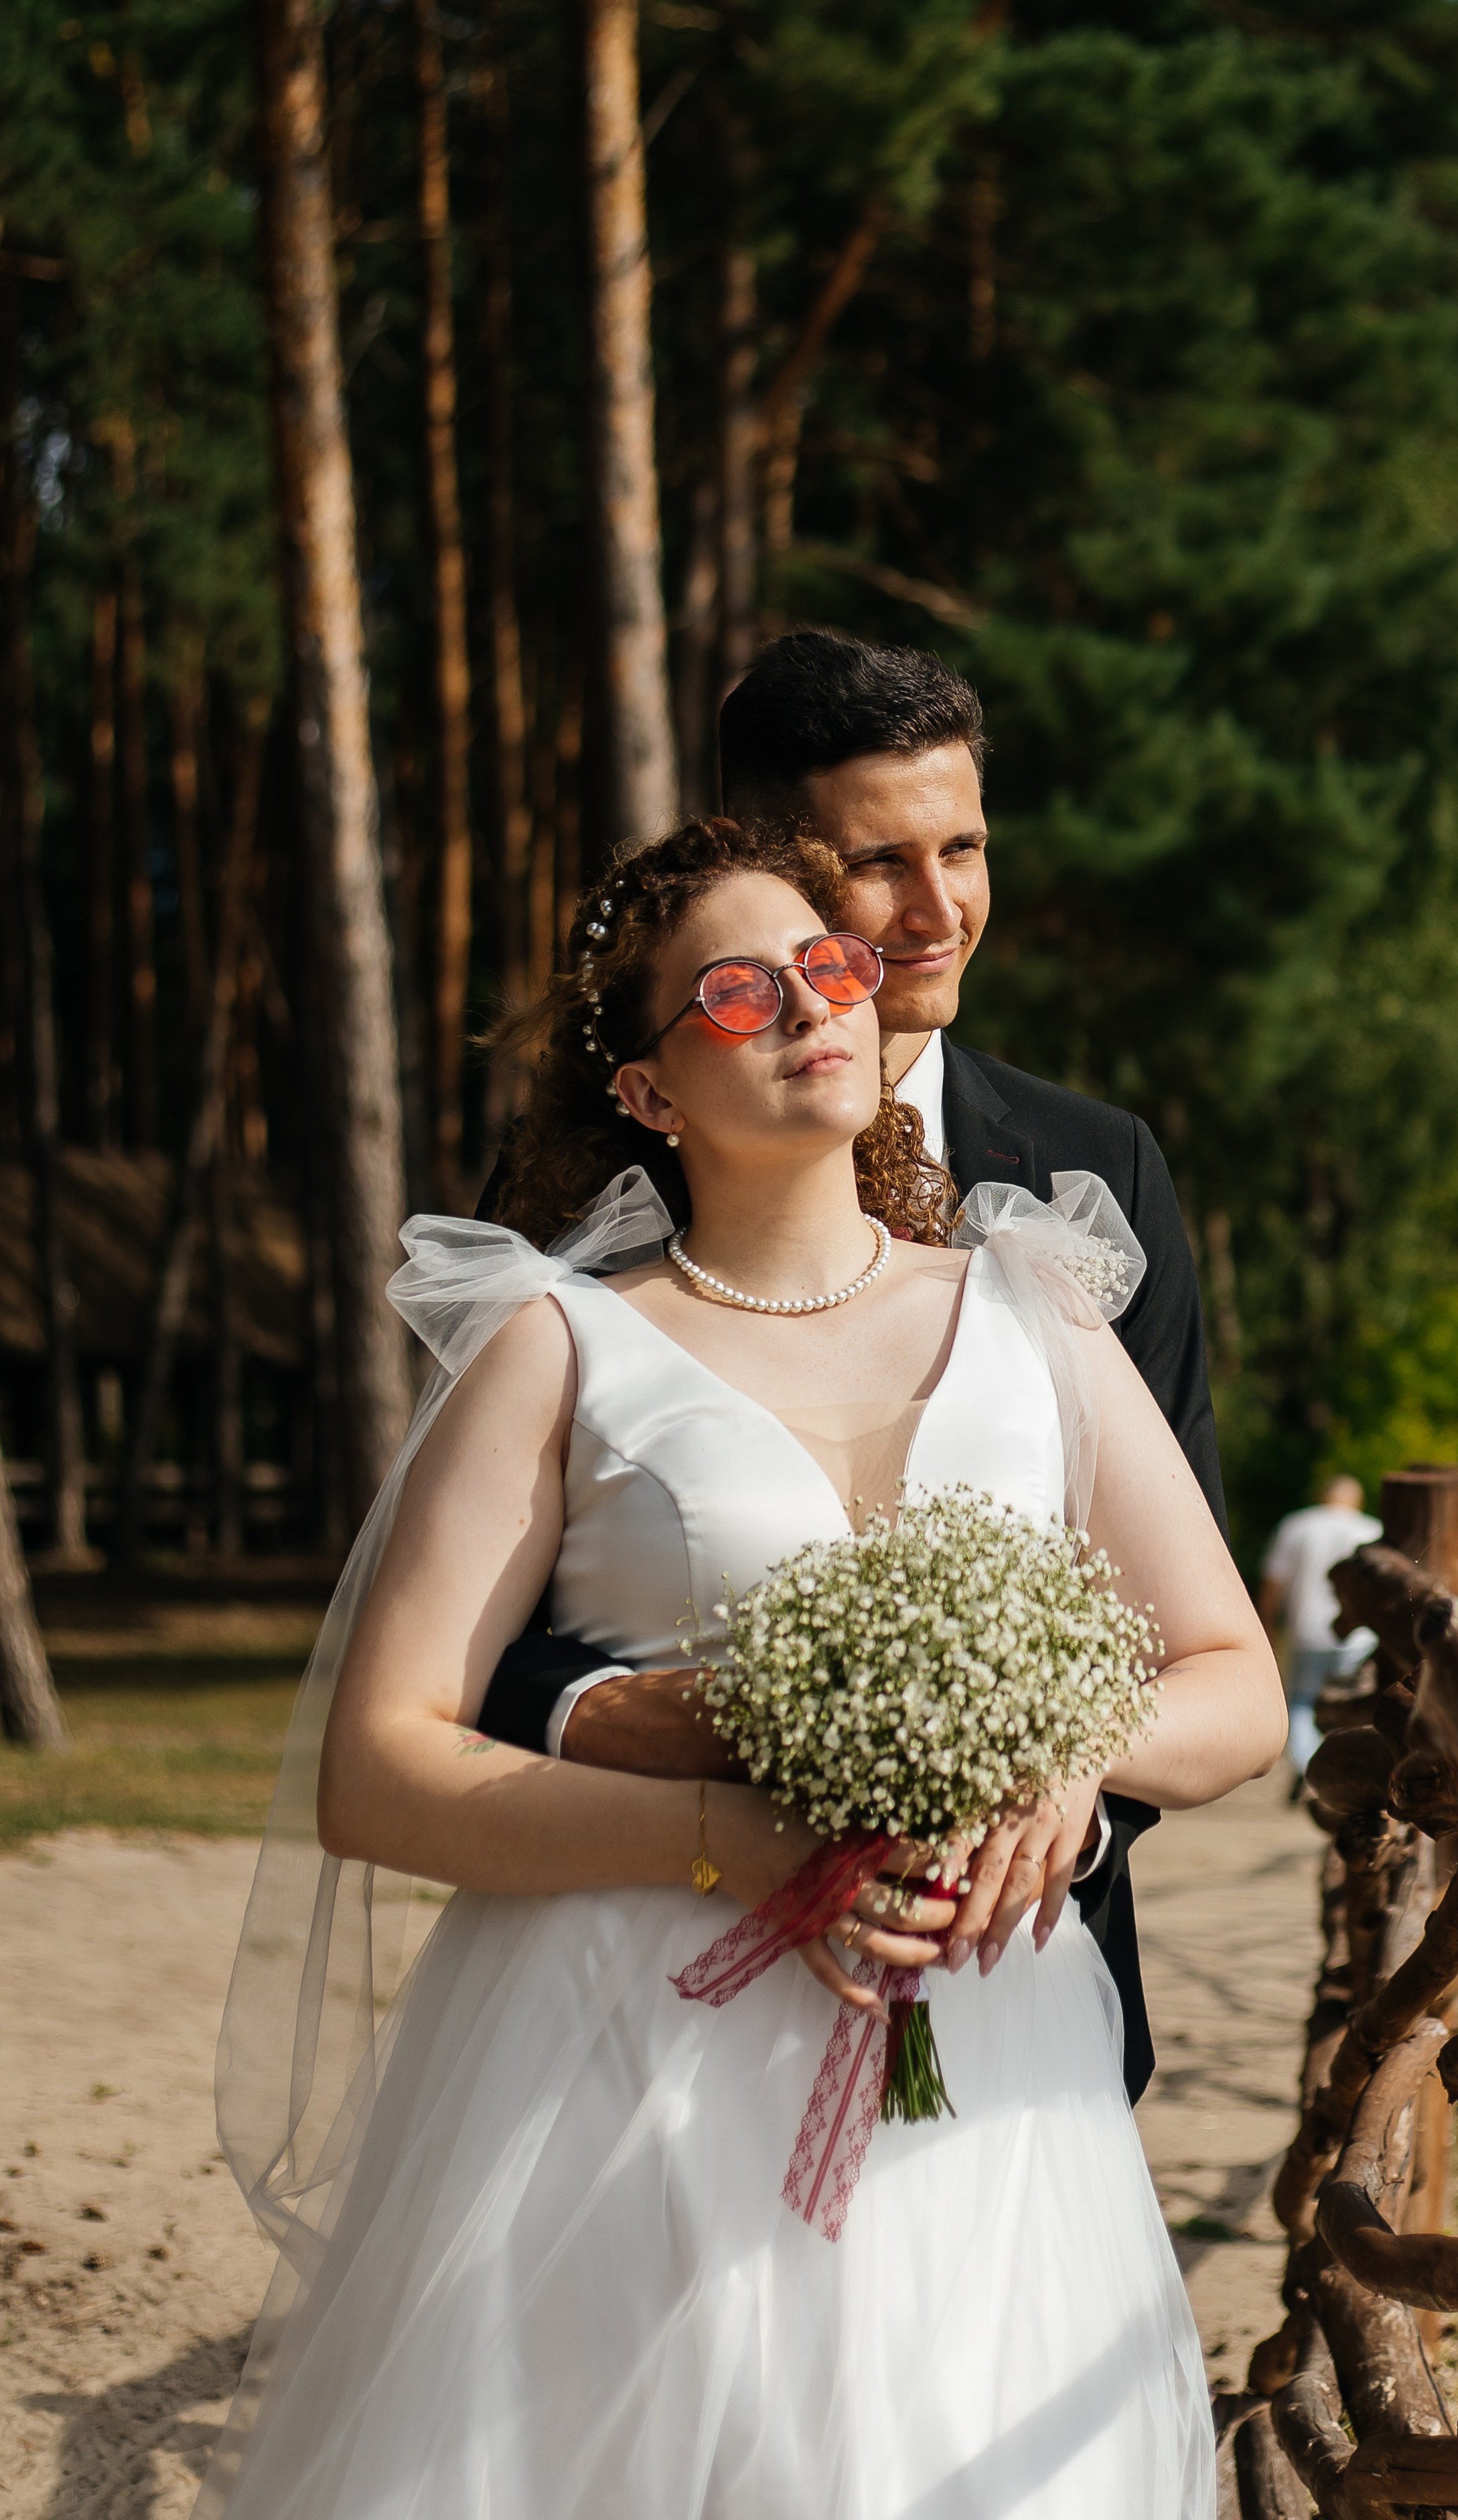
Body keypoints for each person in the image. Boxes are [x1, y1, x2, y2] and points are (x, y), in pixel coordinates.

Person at [202, 817, 1284, 2519]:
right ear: (644, 1090)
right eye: (736, 987)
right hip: (628, 2062)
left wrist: (1074, 1764)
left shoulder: (1036, 1308)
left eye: (831, 965)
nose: (812, 1004)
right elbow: (379, 1765)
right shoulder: (561, 1346)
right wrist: (733, 1837)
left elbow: (1229, 1677)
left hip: (995, 2067)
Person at [476, 630, 1225, 2102]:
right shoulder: (579, 1184)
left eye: (966, 847)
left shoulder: (1095, 1170)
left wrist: (1029, 1827)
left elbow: (1160, 1603)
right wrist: (639, 1727)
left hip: (1017, 1967)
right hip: (663, 1973)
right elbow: (467, 1605)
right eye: (881, 863)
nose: (938, 912)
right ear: (773, 865)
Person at [1258, 1476, 1382, 1780]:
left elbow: (1272, 1585)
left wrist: (1267, 1630)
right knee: (1354, 1704)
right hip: (1359, 1637)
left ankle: (1310, 1767)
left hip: (1307, 1630)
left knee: (1302, 1701)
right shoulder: (1372, 1529)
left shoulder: (1297, 1526)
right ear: (1358, 1500)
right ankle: (1345, 1770)